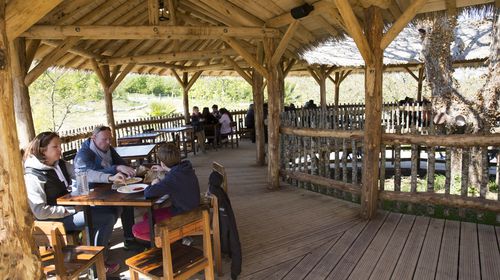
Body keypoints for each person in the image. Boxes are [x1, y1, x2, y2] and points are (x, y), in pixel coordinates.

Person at [23, 132, 122, 275]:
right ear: (43, 150)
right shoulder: (33, 175)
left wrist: (110, 177)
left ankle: (97, 256)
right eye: (55, 147)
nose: (60, 150)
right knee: (106, 217)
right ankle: (97, 265)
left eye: (60, 146)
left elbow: (84, 174)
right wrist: (70, 210)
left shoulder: (60, 164)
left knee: (111, 210)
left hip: (68, 211)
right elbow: (40, 211)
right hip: (52, 220)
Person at [75, 125, 144, 251]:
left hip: (109, 186)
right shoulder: (84, 153)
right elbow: (91, 173)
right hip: (93, 192)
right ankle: (101, 247)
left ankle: (129, 239)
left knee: (127, 202)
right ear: (94, 138)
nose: (108, 142)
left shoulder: (108, 148)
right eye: (104, 139)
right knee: (111, 213)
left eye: (109, 139)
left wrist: (128, 169)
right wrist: (116, 168)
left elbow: (120, 162)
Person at [132, 143, 200, 241]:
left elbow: (149, 193)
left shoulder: (173, 178)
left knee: (136, 230)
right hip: (191, 209)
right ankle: (174, 237)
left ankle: (171, 242)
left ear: (162, 163)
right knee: (148, 216)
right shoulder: (184, 168)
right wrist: (165, 169)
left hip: (184, 215)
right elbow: (175, 178)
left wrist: (154, 184)